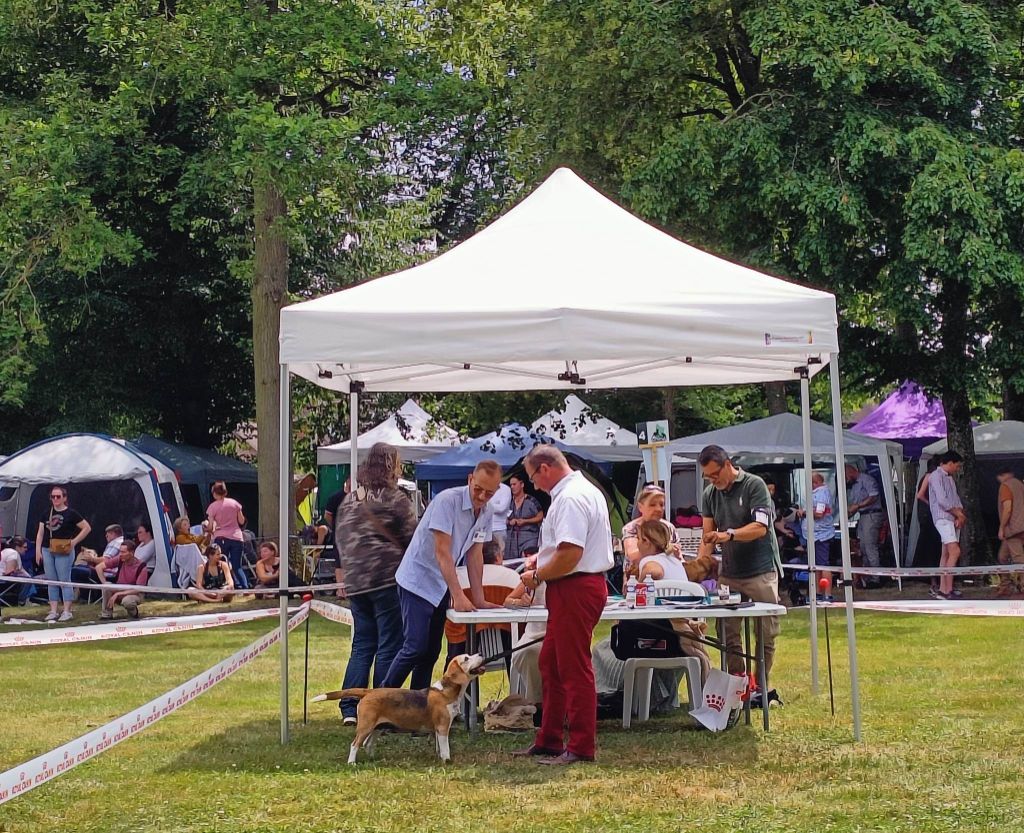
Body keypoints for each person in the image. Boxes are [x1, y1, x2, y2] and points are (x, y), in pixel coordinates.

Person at [516, 446, 613, 766]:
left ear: (544, 468)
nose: (533, 485)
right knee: (551, 663)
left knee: (573, 668)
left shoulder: (569, 497)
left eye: (531, 478)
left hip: (575, 586)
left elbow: (571, 553)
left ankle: (582, 747)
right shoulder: (584, 490)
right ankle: (549, 739)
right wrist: (542, 559)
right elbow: (565, 549)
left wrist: (537, 575)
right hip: (573, 585)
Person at [379, 460, 502, 690]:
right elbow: (442, 553)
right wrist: (458, 595)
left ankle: (417, 708)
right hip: (417, 580)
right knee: (415, 646)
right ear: (469, 480)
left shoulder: (487, 511)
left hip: (440, 584)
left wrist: (479, 598)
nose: (482, 496)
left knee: (431, 652)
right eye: (478, 489)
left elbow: (475, 555)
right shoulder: (447, 501)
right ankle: (380, 702)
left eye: (490, 492)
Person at [334, 443, 419, 723]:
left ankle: (349, 708)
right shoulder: (396, 499)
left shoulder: (350, 499)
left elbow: (341, 539)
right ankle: (381, 707)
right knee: (389, 644)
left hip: (357, 581)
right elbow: (413, 538)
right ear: (391, 466)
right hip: (386, 579)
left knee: (362, 645)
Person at [697, 445, 781, 687]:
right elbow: (708, 537)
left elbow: (760, 527)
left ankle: (761, 686)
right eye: (708, 477)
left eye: (715, 474)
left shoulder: (755, 485)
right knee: (727, 632)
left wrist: (729, 535)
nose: (713, 481)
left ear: (727, 465)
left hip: (761, 571)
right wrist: (697, 570)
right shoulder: (709, 495)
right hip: (730, 574)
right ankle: (738, 682)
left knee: (765, 634)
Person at [35, 484, 91, 623]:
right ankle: (53, 610)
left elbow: (86, 528)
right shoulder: (46, 513)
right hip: (47, 549)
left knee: (64, 579)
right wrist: (38, 550)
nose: (55, 499)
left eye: (58, 496)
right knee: (51, 580)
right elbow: (40, 533)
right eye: (53, 497)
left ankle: (67, 611)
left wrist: (74, 542)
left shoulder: (71, 513)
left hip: (64, 549)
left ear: (64, 497)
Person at [928, 451, 967, 600]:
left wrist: (959, 515)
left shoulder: (949, 478)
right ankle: (947, 590)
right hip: (943, 518)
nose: (957, 469)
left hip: (952, 518)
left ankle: (944, 588)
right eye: (957, 466)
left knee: (946, 554)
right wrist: (958, 514)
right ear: (950, 463)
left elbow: (955, 498)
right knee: (955, 552)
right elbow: (942, 500)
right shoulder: (935, 476)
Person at [621, 484, 680, 574]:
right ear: (640, 507)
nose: (658, 509)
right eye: (652, 505)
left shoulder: (669, 528)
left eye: (661, 505)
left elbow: (679, 559)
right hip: (637, 578)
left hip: (666, 579)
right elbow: (633, 556)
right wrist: (665, 549)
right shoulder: (632, 528)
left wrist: (677, 554)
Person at [845, 463, 883, 588]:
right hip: (862, 516)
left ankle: (876, 578)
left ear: (851, 471)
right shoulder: (855, 487)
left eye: (846, 475)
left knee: (870, 546)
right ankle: (867, 576)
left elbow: (874, 496)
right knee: (862, 547)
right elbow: (855, 506)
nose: (846, 479)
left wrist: (858, 506)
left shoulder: (867, 479)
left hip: (872, 515)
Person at [206, 482, 248, 589]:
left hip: (221, 538)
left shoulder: (212, 507)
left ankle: (228, 585)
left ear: (214, 493)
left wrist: (208, 529)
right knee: (237, 565)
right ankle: (244, 586)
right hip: (236, 537)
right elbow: (241, 521)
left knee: (222, 564)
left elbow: (210, 527)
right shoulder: (235, 504)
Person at [800, 472, 834, 599]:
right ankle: (818, 594)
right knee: (816, 565)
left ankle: (827, 595)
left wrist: (804, 512)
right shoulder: (817, 493)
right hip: (814, 535)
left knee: (823, 565)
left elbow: (819, 514)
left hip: (821, 535)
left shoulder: (821, 494)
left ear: (815, 483)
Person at [96, 539, 149, 619]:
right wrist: (104, 583)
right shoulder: (119, 559)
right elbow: (98, 567)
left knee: (127, 601)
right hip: (120, 589)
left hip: (134, 593)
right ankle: (106, 614)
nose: (120, 554)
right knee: (107, 586)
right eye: (120, 551)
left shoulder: (142, 567)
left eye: (123, 552)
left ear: (132, 553)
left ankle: (134, 614)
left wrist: (118, 594)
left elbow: (138, 589)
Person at [913, 457, 942, 593]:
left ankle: (935, 579)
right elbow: (921, 496)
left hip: (929, 517)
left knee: (932, 549)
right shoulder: (930, 478)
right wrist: (931, 505)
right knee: (932, 549)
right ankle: (934, 580)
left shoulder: (928, 478)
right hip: (930, 518)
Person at [995, 466, 1024, 598]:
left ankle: (1022, 586)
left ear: (1000, 475)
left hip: (1013, 529)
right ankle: (1005, 586)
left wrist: (1002, 527)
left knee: (1018, 558)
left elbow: (1007, 508)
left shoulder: (1005, 486)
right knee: (1002, 557)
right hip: (1021, 526)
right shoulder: (1019, 483)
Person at [506, 474, 544, 559]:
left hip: (529, 539)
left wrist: (525, 521)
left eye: (514, 484)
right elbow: (500, 518)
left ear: (522, 484)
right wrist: (509, 522)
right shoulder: (508, 501)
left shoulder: (531, 501)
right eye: (510, 485)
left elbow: (540, 516)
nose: (512, 487)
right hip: (511, 542)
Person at [1, 536, 36, 605]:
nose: (26, 549)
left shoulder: (6, 551)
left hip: (2, 578)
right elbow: (9, 572)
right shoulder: (13, 554)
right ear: (17, 547)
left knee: (29, 577)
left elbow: (22, 570)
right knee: (27, 580)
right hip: (2, 580)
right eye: (24, 547)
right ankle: (22, 601)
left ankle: (25, 599)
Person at [488, 480, 512, 561]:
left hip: (499, 528)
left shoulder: (505, 489)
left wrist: (486, 504)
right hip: (485, 529)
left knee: (499, 556)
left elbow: (502, 508)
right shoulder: (485, 486)